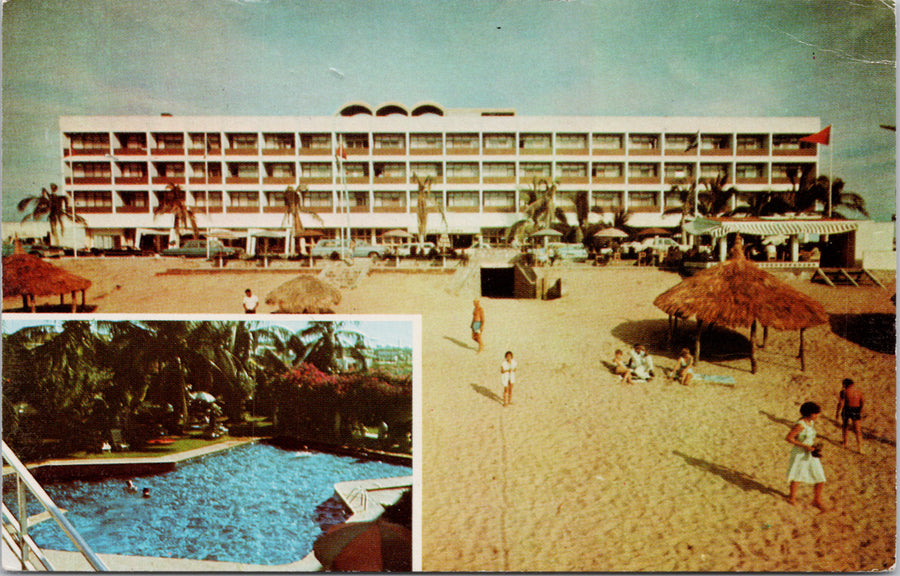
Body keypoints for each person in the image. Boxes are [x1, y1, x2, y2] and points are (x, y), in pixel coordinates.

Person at [785, 402, 827, 510]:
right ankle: (792, 498)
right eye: (815, 414)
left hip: (810, 452)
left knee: (820, 477)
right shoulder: (800, 425)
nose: (817, 416)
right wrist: (804, 446)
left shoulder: (810, 423)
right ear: (809, 414)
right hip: (800, 453)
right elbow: (789, 438)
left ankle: (816, 500)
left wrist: (813, 447)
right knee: (797, 475)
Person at [835, 378, 864, 453]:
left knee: (845, 426)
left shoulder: (844, 392)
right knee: (858, 430)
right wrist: (860, 410)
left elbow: (841, 403)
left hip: (847, 409)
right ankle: (860, 447)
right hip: (856, 410)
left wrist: (837, 413)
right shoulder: (859, 392)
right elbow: (862, 402)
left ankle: (845, 442)